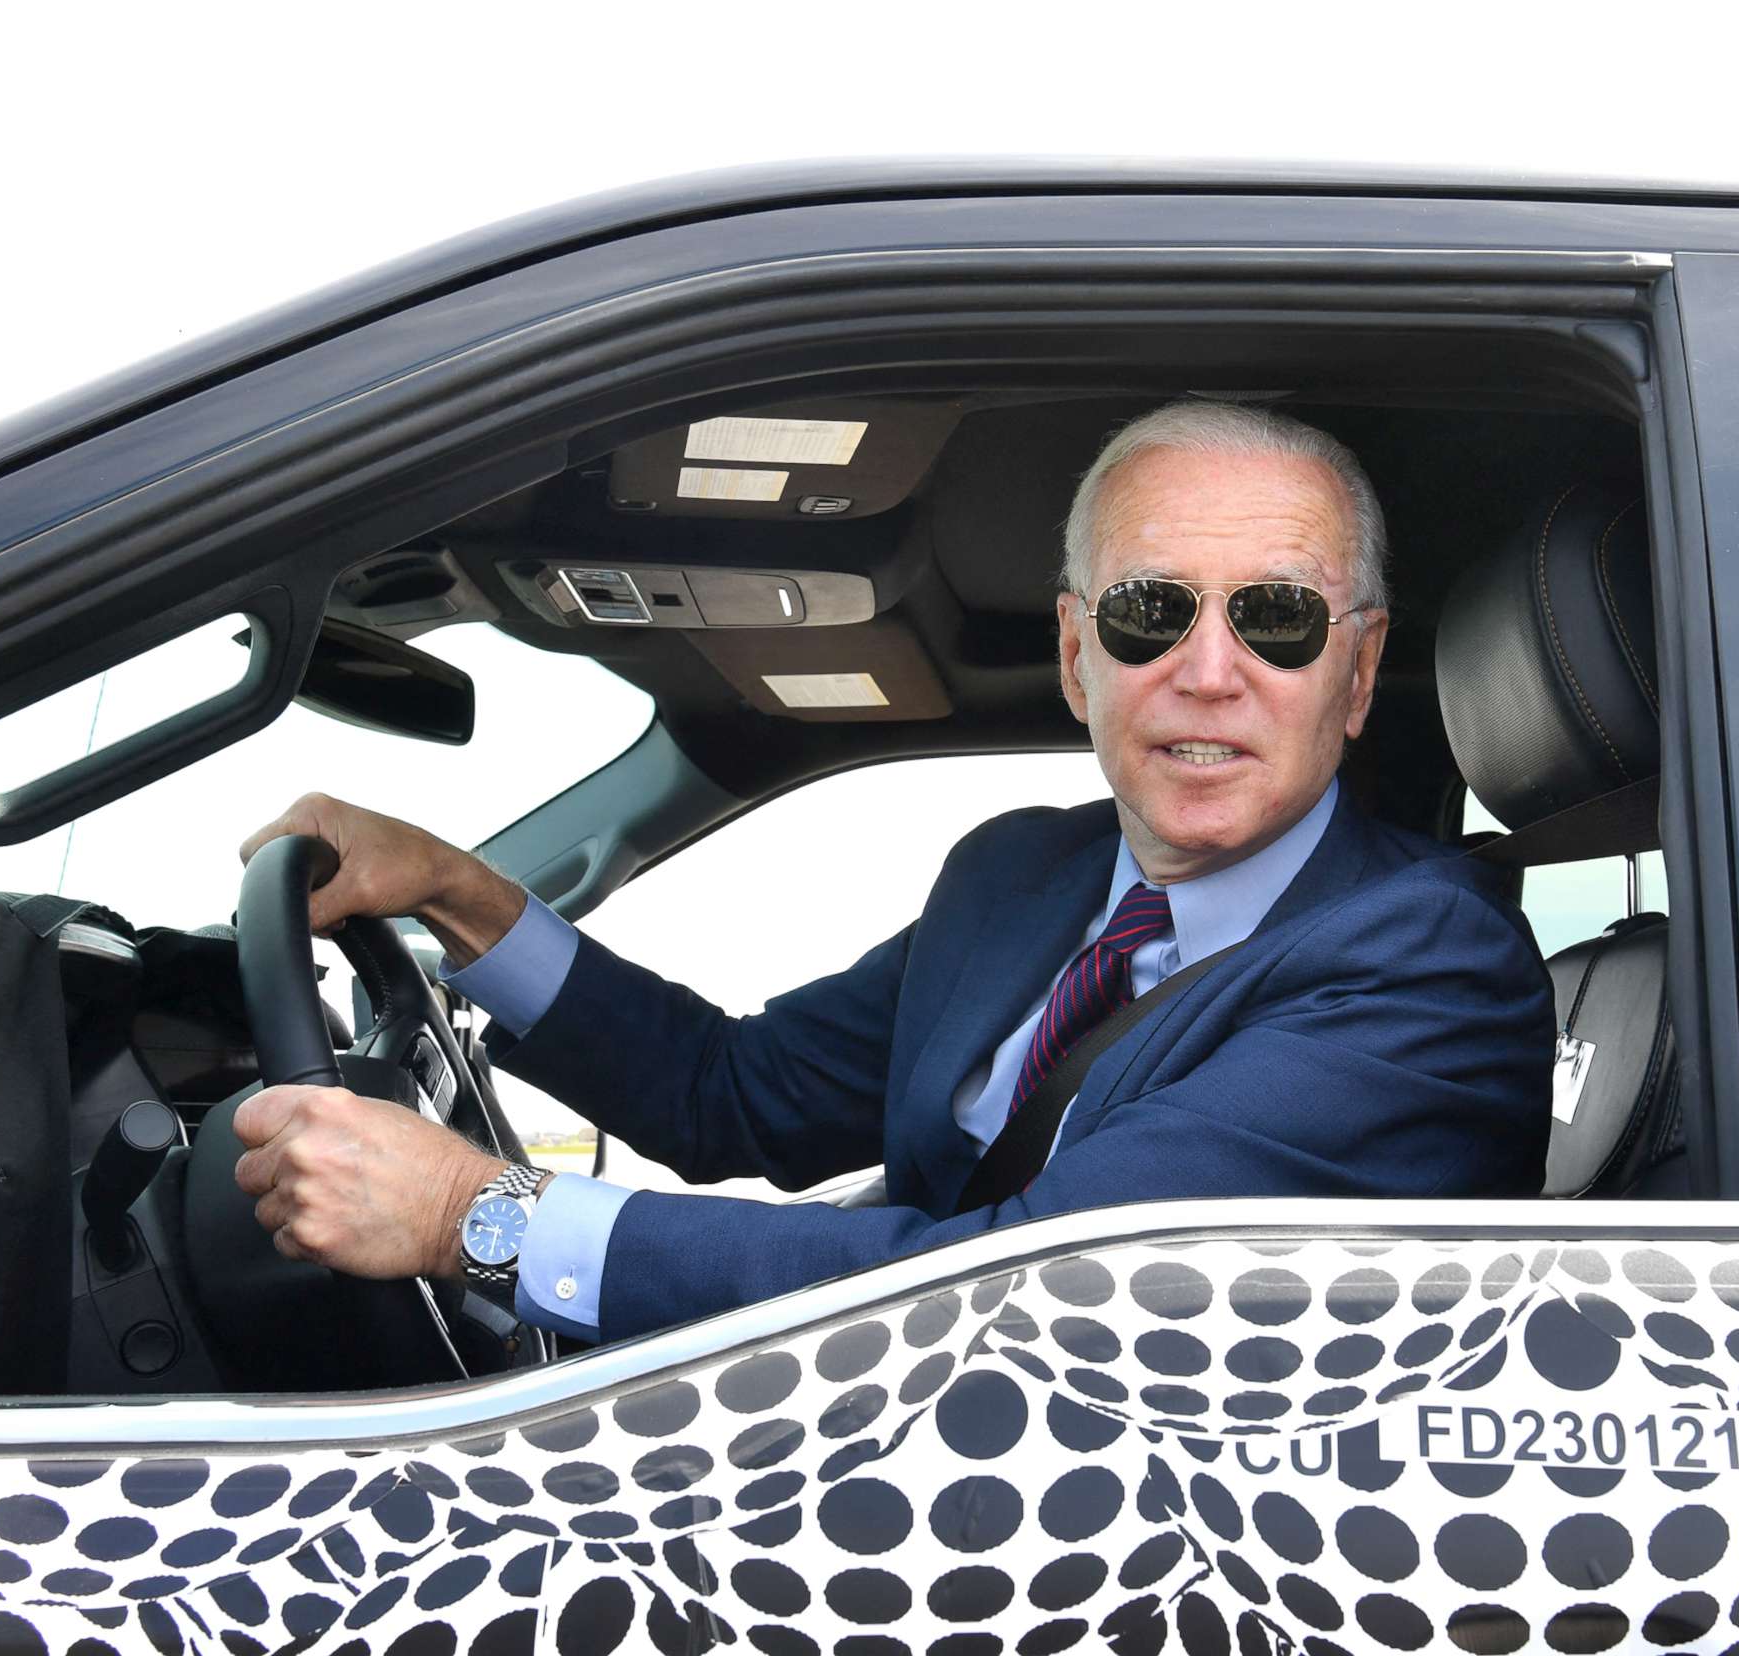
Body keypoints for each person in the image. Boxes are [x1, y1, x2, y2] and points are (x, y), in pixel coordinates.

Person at [232, 402, 1554, 1343]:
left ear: (1360, 672)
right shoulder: (1020, 878)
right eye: (1152, 611)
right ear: (1080, 656)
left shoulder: (1433, 969)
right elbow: (731, 1095)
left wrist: (482, 1215)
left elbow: (1024, 1292)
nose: (1210, 670)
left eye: (1277, 617)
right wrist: (456, 888)